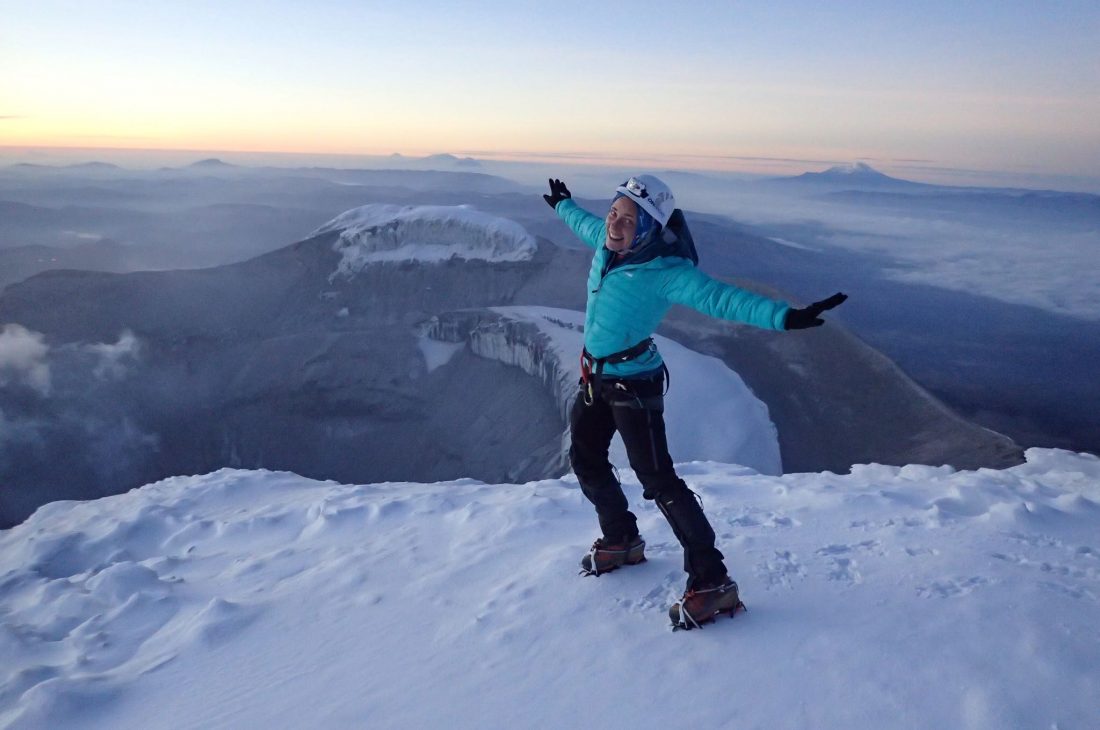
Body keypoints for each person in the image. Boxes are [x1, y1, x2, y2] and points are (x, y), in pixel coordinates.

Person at [543, 174, 847, 629]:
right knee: (585, 457)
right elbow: (588, 224)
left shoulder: (667, 273)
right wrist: (564, 205)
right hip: (597, 378)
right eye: (614, 212)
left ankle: (713, 581)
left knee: (659, 481)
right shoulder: (608, 247)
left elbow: (720, 299)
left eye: (630, 218)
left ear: (650, 226)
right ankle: (622, 537)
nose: (616, 224)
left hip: (633, 387)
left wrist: (784, 316)